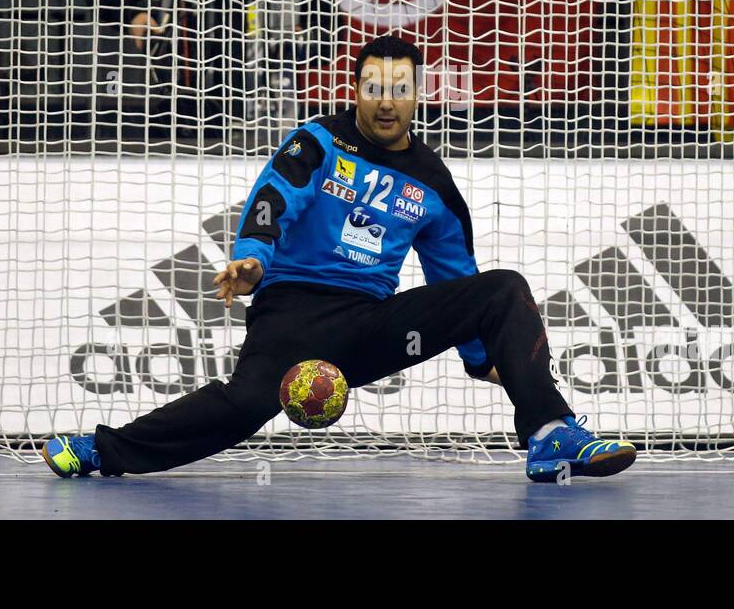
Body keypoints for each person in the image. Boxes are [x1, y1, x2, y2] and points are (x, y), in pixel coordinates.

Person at [41, 35, 639, 482]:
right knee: (243, 405)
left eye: (399, 90)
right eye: (373, 89)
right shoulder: (319, 141)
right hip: (291, 313)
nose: (386, 103)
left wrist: (485, 362)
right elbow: (275, 196)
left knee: (501, 287)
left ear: (416, 95)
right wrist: (251, 259)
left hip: (368, 326)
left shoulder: (432, 181)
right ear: (356, 90)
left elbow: (454, 278)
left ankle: (549, 432)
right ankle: (102, 449)